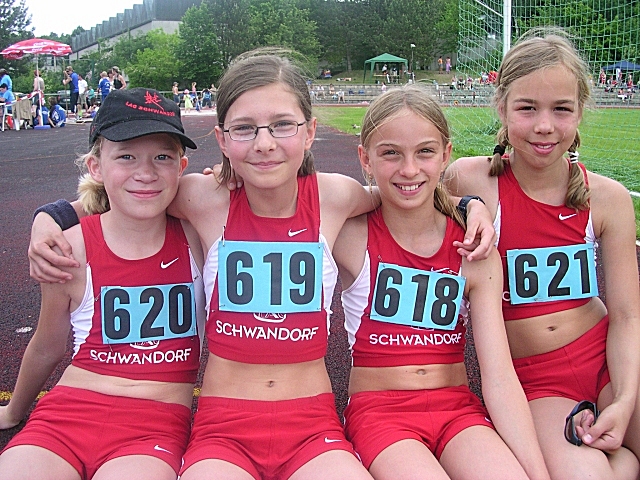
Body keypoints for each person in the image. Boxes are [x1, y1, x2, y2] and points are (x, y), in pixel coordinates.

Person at [27, 50, 495, 480]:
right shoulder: (203, 197)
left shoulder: (334, 196)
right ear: (223, 139)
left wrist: (467, 204)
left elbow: (405, 191)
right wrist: (50, 217)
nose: (265, 143)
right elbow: (131, 190)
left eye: (282, 125)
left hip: (312, 426)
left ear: (309, 132)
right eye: (245, 128)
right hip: (222, 429)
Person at [444, 32, 640, 479]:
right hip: (535, 381)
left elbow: (628, 316)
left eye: (561, 109)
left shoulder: (607, 198)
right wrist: (468, 204)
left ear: (581, 111)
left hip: (609, 359)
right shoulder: (470, 179)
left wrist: (626, 399)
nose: (544, 126)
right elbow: (402, 198)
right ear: (501, 107)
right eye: (527, 108)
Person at [334, 85, 550, 480]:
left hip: (457, 412)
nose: (409, 169)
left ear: (446, 154)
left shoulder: (474, 248)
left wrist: (538, 474)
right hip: (380, 414)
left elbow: (499, 377)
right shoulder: (349, 236)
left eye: (425, 152)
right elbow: (287, 202)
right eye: (390, 153)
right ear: (365, 158)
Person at [0, 88, 205, 480]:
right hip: (64, 417)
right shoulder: (70, 248)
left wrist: (47, 215)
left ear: (182, 167)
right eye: (126, 156)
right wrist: (13, 411)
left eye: (162, 157)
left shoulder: (199, 234)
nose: (146, 173)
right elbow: (47, 344)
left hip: (154, 427)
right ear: (95, 166)